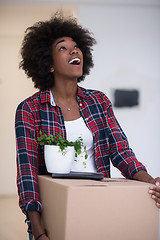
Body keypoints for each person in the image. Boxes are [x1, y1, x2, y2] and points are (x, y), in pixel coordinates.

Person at [15, 12, 160, 240]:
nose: (74, 51)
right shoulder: (30, 109)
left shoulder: (99, 101)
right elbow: (27, 172)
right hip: (53, 210)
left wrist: (152, 182)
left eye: (76, 47)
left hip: (98, 204)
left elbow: (121, 152)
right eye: (63, 48)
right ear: (48, 64)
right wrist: (38, 230)